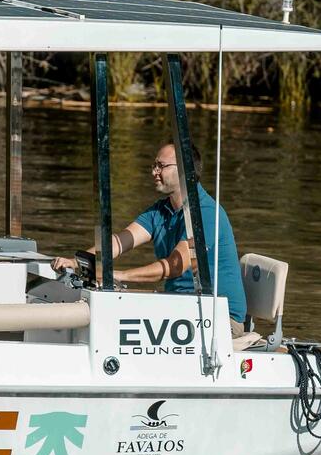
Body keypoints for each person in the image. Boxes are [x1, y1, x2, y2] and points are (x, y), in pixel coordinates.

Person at [53, 142, 246, 334]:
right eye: (154, 166)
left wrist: (117, 276)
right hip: (181, 308)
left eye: (161, 166)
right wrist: (78, 261)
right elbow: (119, 242)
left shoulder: (206, 214)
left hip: (219, 318)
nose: (154, 172)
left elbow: (175, 265)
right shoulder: (160, 211)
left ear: (185, 169)